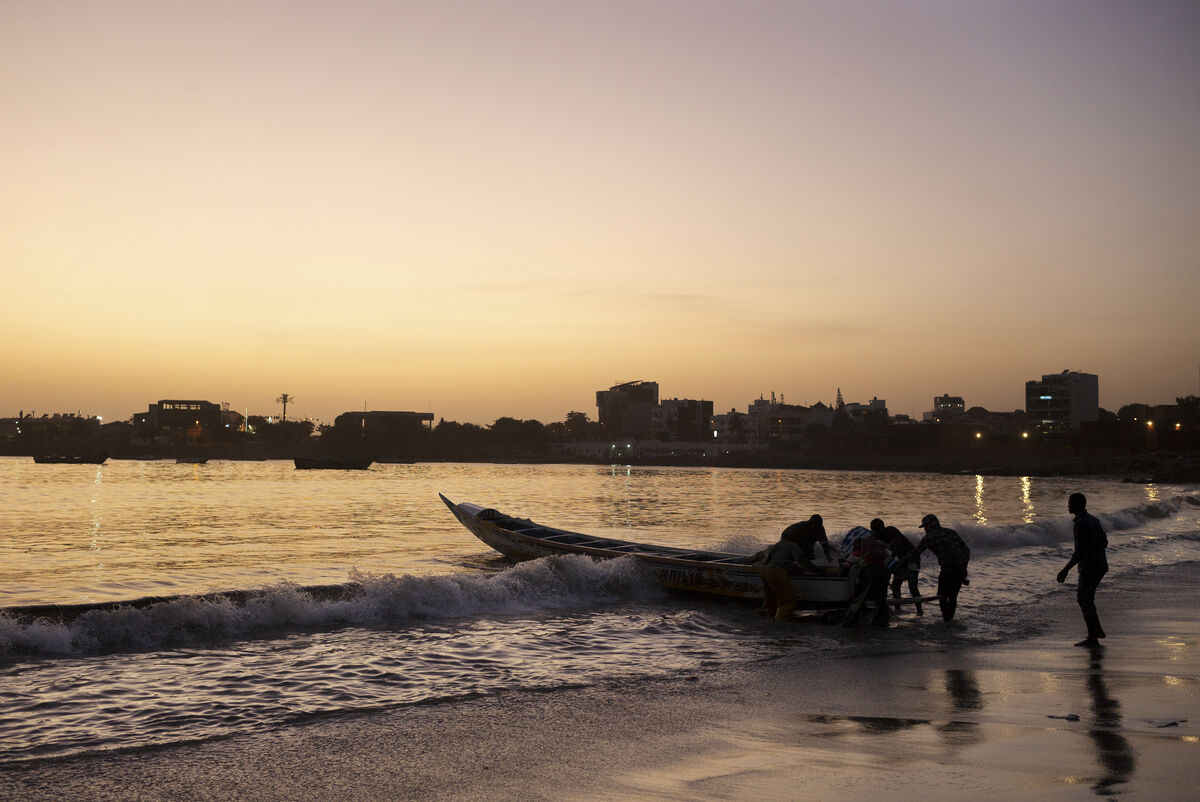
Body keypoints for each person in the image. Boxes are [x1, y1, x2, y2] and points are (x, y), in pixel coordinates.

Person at [1057, 492, 1109, 647]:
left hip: (1090, 566)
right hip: (1100, 564)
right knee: (1087, 599)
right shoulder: (1093, 520)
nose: (1068, 506)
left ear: (1077, 505)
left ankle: (1093, 637)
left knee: (1084, 599)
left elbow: (1080, 552)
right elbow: (1105, 541)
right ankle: (1096, 632)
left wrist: (1065, 570)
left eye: (1070, 503)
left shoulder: (1081, 524)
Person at [897, 514, 970, 622]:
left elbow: (916, 552)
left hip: (948, 570)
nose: (925, 529)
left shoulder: (929, 537)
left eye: (925, 527)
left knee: (942, 596)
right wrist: (964, 567)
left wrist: (901, 561)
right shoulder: (951, 532)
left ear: (929, 526)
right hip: (961, 569)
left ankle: (946, 621)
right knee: (953, 597)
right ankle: (950, 620)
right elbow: (967, 550)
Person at [750, 525, 808, 620]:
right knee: (788, 601)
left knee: (770, 599)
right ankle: (781, 620)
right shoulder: (793, 545)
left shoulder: (777, 545)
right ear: (794, 537)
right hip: (776, 572)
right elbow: (801, 560)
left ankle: (765, 616)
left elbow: (767, 559)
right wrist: (817, 569)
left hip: (764, 571)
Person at [841, 522, 890, 628]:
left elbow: (848, 563)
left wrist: (842, 566)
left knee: (859, 598)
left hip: (871, 574)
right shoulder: (878, 548)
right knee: (881, 600)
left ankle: (851, 622)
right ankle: (881, 623)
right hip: (884, 573)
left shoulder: (860, 550)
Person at [873, 519, 923, 616]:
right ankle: (897, 609)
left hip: (912, 558)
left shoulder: (891, 531)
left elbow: (898, 547)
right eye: (873, 529)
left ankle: (919, 610)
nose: (875, 531)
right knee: (896, 585)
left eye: (876, 529)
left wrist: (890, 559)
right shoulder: (879, 536)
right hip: (900, 560)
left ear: (882, 526)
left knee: (912, 586)